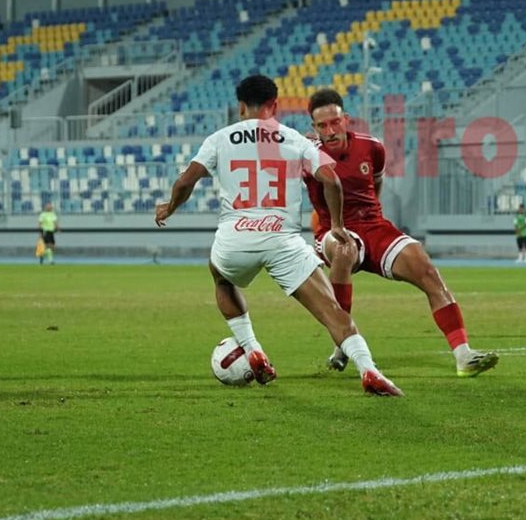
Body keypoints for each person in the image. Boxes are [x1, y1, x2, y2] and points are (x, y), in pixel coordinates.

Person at [154, 74, 402, 396]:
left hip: (236, 237)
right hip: (283, 239)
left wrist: (170, 207)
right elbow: (332, 181)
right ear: (274, 105)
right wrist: (338, 225)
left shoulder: (219, 138)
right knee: (332, 310)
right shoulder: (295, 139)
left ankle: (252, 348)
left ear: (241, 107)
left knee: (221, 277)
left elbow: (186, 181)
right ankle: (369, 370)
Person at [303, 88, 499, 378]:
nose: (330, 131)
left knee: (426, 269)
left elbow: (376, 184)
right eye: (322, 125)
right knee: (344, 251)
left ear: (346, 119)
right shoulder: (307, 154)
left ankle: (463, 355)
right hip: (334, 229)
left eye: (335, 122)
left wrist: (372, 216)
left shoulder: (372, 147)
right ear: (314, 127)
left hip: (373, 225)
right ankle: (342, 344)